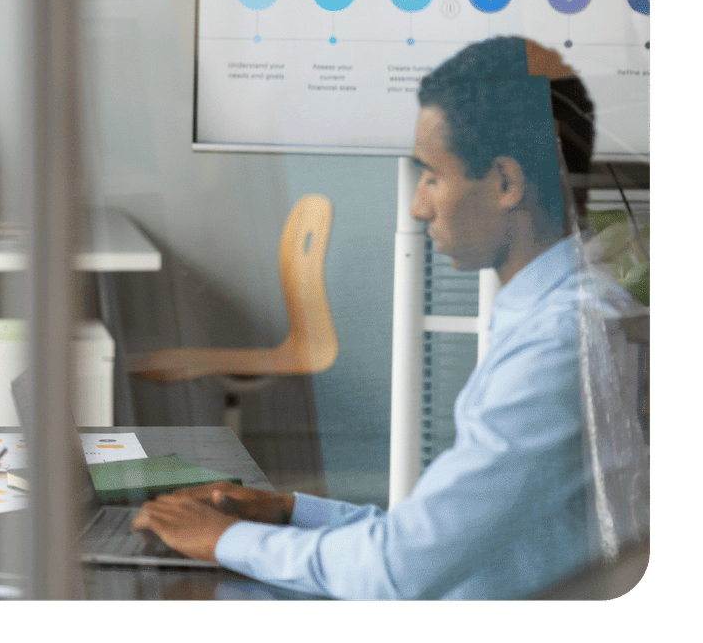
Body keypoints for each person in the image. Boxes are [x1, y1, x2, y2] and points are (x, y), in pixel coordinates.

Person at [131, 36, 648, 600]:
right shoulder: (553, 311)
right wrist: (287, 510)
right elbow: (429, 544)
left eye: (432, 175)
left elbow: (396, 571)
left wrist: (225, 540)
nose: (418, 205)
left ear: (505, 183)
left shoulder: (559, 342)